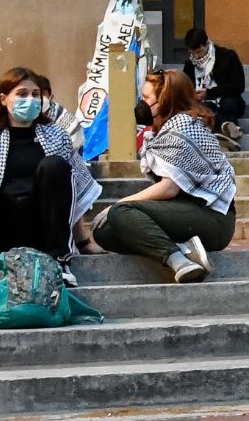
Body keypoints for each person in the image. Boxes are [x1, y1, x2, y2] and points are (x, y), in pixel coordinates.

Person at [0, 66, 102, 290]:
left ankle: (58, 264)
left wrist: (84, 242)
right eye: (22, 94)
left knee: (55, 165)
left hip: (40, 228)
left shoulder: (57, 135)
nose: (31, 99)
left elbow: (72, 195)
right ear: (4, 99)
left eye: (36, 94)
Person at [94, 72, 238, 283]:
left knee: (120, 212)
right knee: (103, 232)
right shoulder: (166, 128)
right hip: (186, 212)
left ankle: (180, 262)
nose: (142, 104)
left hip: (213, 217)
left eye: (147, 98)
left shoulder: (182, 127)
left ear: (165, 99)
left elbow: (169, 189)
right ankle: (182, 250)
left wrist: (118, 205)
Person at [180, 26, 246, 146]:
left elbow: (238, 86)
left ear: (206, 44)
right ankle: (228, 128)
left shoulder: (228, 56)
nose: (196, 57)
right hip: (203, 104)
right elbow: (185, 89)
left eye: (198, 52)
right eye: (192, 53)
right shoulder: (189, 65)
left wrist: (210, 93)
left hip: (227, 100)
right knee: (201, 108)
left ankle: (224, 130)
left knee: (229, 104)